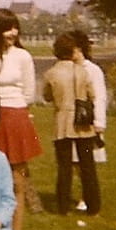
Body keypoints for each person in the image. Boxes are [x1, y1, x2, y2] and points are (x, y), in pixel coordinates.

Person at [0, 8, 42, 230]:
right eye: (7, 28)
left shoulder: (23, 56)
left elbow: (29, 92)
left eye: (15, 28)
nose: (12, 33)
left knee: (17, 182)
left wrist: (16, 110)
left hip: (16, 117)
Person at [43, 32, 100, 217]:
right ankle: (93, 206)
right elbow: (92, 95)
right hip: (83, 123)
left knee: (64, 166)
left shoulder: (51, 73)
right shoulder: (83, 71)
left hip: (62, 123)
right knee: (88, 166)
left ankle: (63, 206)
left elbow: (47, 96)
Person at [68, 29, 108, 212]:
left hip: (88, 121)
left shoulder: (92, 70)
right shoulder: (67, 68)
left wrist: (99, 122)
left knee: (87, 161)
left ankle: (87, 196)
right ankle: (83, 193)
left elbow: (99, 97)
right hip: (71, 121)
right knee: (74, 161)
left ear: (79, 48)